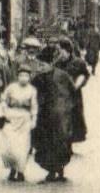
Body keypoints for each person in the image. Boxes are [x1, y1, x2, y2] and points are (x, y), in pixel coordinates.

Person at [31, 46, 79, 182]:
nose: (40, 66)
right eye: (40, 64)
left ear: (49, 63)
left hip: (55, 115)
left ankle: (55, 171)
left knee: (55, 143)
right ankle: (56, 170)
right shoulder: (42, 77)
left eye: (42, 64)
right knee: (52, 143)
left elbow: (71, 91)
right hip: (51, 116)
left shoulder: (53, 76)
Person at [0, 61, 39, 182]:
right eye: (21, 75)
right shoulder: (11, 88)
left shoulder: (32, 90)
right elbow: (3, 99)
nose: (23, 78)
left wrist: (34, 119)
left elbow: (34, 106)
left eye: (26, 76)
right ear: (18, 76)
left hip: (24, 119)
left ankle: (21, 171)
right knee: (9, 146)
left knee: (23, 146)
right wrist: (4, 111)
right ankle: (12, 169)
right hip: (12, 118)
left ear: (29, 77)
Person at [57, 39, 91, 143]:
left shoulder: (78, 62)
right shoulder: (57, 63)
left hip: (74, 95)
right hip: (61, 95)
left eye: (61, 50)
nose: (59, 53)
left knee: (74, 117)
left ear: (67, 50)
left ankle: (70, 142)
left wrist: (80, 83)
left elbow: (85, 74)